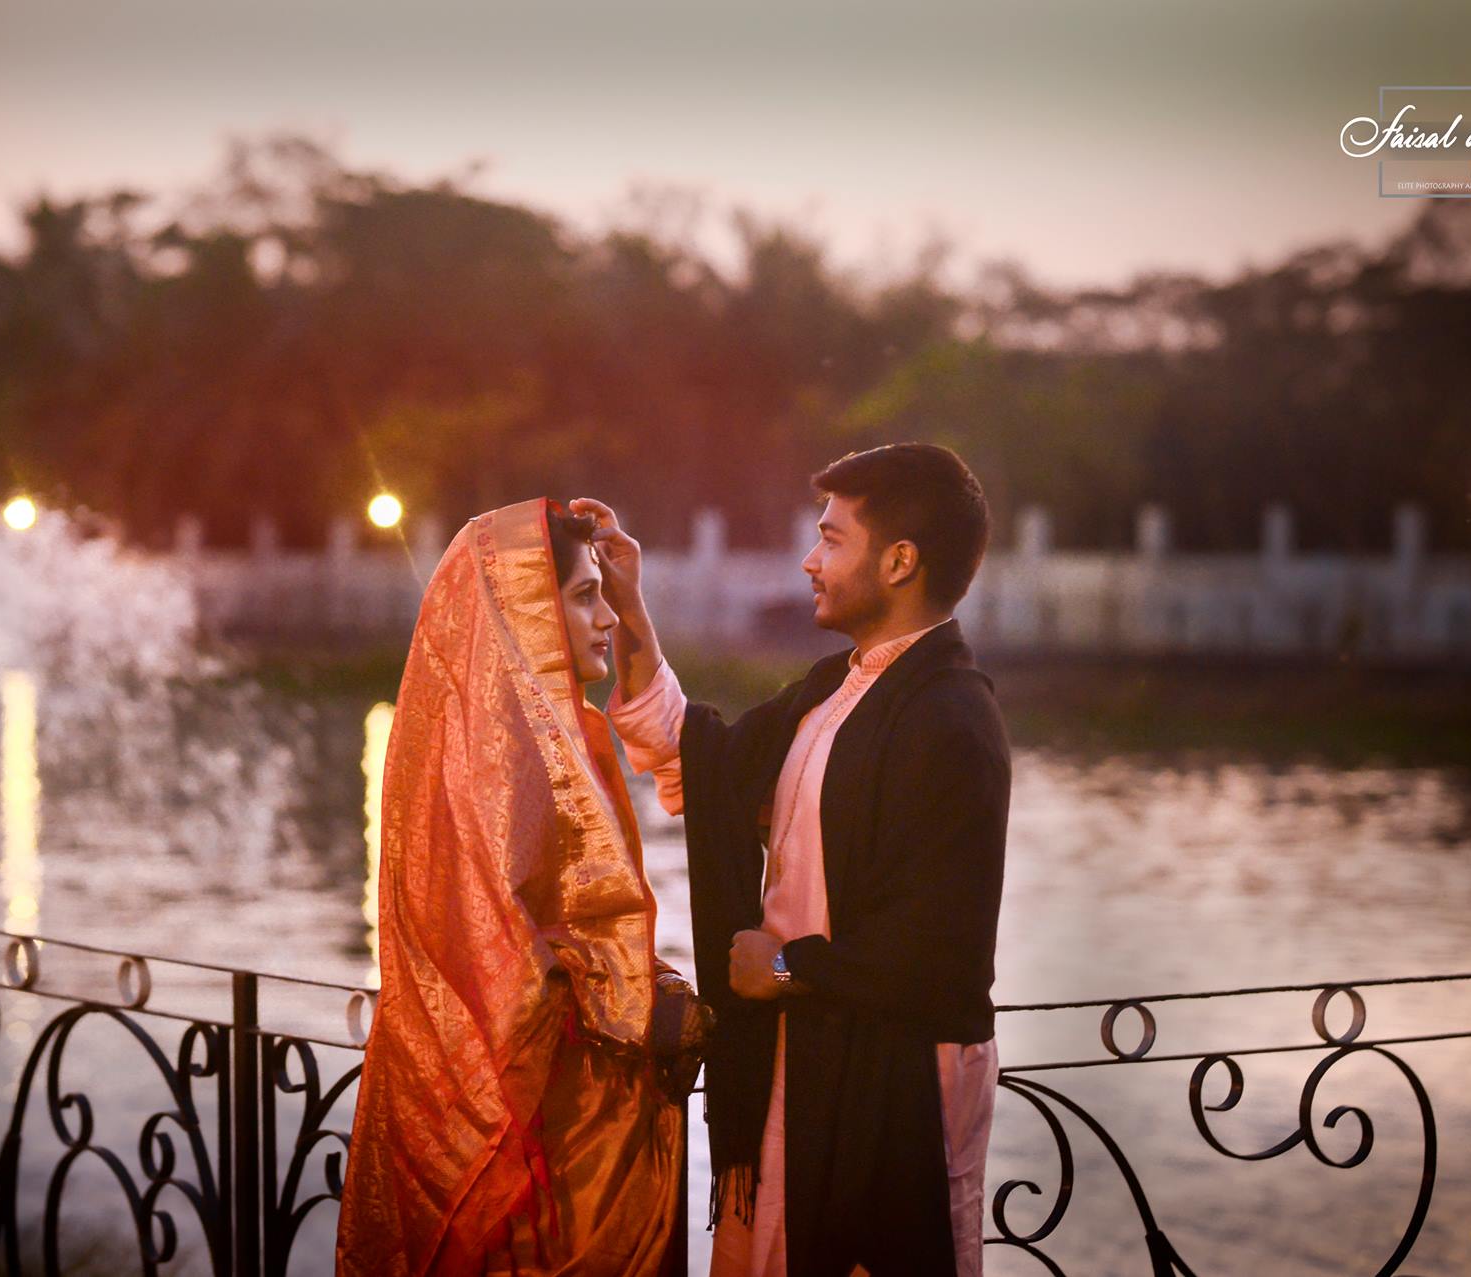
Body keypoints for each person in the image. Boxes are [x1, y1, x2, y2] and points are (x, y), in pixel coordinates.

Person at [577, 442, 1010, 1276]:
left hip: (889, 1089)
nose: (810, 561)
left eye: (831, 539)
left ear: (900, 561)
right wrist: (629, 606)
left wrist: (783, 966)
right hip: (797, 1056)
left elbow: (942, 953)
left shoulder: (952, 722)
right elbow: (699, 763)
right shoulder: (835, 688)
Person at [337, 498, 710, 1277]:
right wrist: (643, 999)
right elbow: (505, 963)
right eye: (584, 596)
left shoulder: (540, 736)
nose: (606, 616)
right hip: (542, 1145)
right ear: (530, 609)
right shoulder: (515, 758)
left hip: (523, 1113)